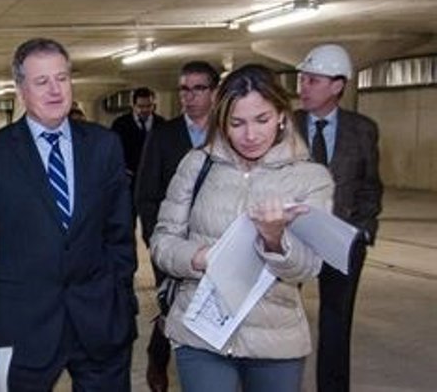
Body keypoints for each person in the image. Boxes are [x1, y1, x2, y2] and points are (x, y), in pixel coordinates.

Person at [0, 38, 137, 391]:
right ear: (20, 89)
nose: (55, 90)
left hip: (100, 320)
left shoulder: (104, 145)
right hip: (23, 324)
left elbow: (120, 232)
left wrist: (121, 297)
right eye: (42, 82)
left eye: (62, 78)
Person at [150, 64, 334, 392]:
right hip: (201, 333)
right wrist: (201, 257)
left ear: (281, 116)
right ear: (222, 121)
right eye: (237, 123)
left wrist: (275, 239)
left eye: (262, 120)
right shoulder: (196, 165)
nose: (250, 135)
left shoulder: (311, 178)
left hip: (276, 339)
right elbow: (162, 243)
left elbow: (308, 267)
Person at [294, 43, 382, 392]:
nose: (303, 87)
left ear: (337, 85)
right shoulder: (284, 126)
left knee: (336, 323)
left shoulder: (363, 129)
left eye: (313, 81)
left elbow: (370, 185)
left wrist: (363, 231)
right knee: (277, 318)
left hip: (342, 240)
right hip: (291, 238)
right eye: (302, 79)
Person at [133, 60, 220, 392]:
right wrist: (155, 238)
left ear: (214, 93)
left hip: (217, 243)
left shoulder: (229, 131)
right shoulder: (164, 135)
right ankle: (159, 356)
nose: (189, 96)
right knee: (172, 303)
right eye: (184, 89)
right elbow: (146, 193)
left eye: (198, 88)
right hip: (173, 244)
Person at [111, 87, 164, 182]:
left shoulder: (161, 124)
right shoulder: (120, 124)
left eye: (149, 106)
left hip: (154, 177)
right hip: (128, 177)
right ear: (133, 105)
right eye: (140, 106)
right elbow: (114, 151)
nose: (145, 110)